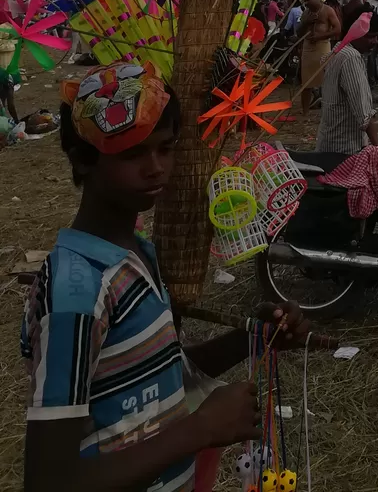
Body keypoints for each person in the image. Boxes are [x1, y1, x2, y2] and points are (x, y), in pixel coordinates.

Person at [22, 60, 309, 492]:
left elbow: (159, 373)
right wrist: (200, 429)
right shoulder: (76, 292)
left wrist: (252, 337)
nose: (156, 167)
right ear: (83, 160)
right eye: (133, 154)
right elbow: (49, 480)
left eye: (166, 147)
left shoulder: (136, 252)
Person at [315, 12, 378, 154]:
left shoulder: (338, 50)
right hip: (346, 149)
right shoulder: (351, 57)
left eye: (377, 36)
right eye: (370, 36)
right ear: (355, 33)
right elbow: (364, 113)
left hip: (329, 143)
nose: (375, 41)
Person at [298, 0, 342, 115]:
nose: (306, 3)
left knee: (327, 80)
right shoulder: (306, 13)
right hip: (307, 48)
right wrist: (306, 22)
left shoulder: (328, 10)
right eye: (304, 1)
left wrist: (320, 36)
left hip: (322, 46)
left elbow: (337, 29)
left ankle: (331, 108)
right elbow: (299, 33)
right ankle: (305, 111)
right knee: (306, 82)